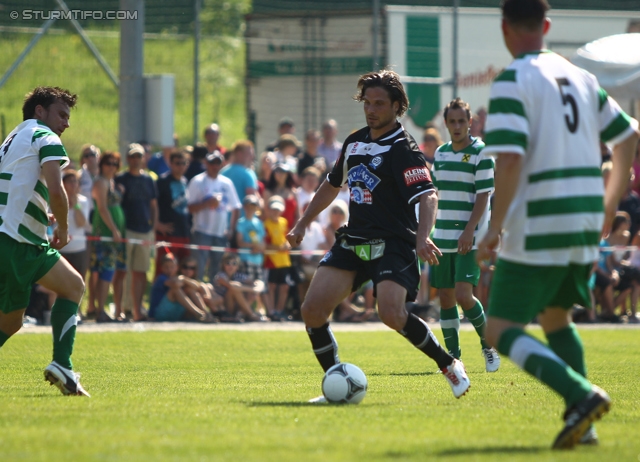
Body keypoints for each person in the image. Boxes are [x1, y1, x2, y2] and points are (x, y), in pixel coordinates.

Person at [476, 0, 639, 449]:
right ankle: (584, 426)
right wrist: (609, 205)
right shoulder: (583, 78)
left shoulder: (513, 78)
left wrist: (494, 228)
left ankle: (580, 395)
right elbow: (629, 136)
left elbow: (509, 160)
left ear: (505, 29)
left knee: (500, 330)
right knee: (555, 319)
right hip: (585, 217)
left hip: (541, 216)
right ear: (546, 26)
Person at [287, 70, 470, 402]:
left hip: (393, 243)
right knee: (312, 310)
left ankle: (449, 364)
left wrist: (422, 237)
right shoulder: (355, 141)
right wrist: (303, 222)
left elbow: (428, 196)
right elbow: (332, 183)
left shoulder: (404, 149)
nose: (371, 110)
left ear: (397, 106)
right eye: (367, 103)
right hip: (355, 240)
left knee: (391, 313)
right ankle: (336, 384)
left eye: (380, 104)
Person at [0, 86, 88, 396]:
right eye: (62, 114)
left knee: (10, 323)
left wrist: (39, 214)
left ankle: (63, 365)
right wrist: (63, 225)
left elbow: (15, 186)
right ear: (40, 111)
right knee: (74, 286)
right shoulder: (45, 137)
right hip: (18, 243)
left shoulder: (13, 138)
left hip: (9, 236)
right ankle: (62, 364)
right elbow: (56, 188)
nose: (66, 123)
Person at [430, 98, 500, 372]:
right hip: (442, 235)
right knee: (445, 298)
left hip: (469, 237)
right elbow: (434, 193)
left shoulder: (482, 152)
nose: (457, 126)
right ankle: (453, 360)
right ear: (446, 123)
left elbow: (483, 195)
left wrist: (469, 231)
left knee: (463, 295)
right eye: (452, 121)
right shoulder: (441, 153)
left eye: (462, 121)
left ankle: (488, 344)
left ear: (470, 122)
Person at [113, 143, 158, 322]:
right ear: (127, 158)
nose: (136, 160)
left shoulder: (149, 180)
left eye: (139, 156)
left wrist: (153, 227)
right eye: (133, 156)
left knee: (140, 273)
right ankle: (120, 310)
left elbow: (154, 206)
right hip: (126, 230)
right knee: (122, 271)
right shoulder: (120, 178)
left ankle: (137, 311)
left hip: (145, 231)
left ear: (143, 158)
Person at [187, 150, 241, 282]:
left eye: (217, 163)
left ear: (222, 164)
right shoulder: (197, 181)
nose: (214, 166)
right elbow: (189, 208)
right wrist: (206, 203)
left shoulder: (226, 183)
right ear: (206, 163)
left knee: (217, 271)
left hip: (220, 234)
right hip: (201, 231)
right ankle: (197, 297)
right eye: (212, 163)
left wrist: (231, 230)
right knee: (198, 269)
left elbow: (236, 207)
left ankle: (213, 299)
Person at [89, 151, 126, 323]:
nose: (111, 167)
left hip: (113, 234)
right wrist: (113, 230)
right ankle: (100, 310)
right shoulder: (100, 183)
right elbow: (102, 208)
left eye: (115, 164)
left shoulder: (112, 182)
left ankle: (102, 309)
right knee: (105, 272)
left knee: (109, 272)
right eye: (108, 163)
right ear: (102, 164)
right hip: (105, 233)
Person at [149, 254, 215, 322]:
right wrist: (182, 280)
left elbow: (197, 286)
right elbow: (175, 284)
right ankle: (198, 314)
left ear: (177, 267)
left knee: (189, 289)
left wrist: (184, 279)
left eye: (172, 267)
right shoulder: (161, 278)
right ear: (161, 268)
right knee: (175, 289)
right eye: (166, 267)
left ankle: (206, 313)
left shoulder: (179, 278)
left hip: (175, 314)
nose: (169, 269)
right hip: (158, 314)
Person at [155, 150, 191, 275]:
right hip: (167, 233)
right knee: (164, 269)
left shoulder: (185, 181)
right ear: (170, 164)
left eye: (184, 163)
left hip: (183, 232)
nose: (181, 166)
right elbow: (153, 205)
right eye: (177, 163)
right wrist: (157, 224)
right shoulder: (162, 181)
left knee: (182, 269)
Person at [235, 194, 268, 312]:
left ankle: (257, 310)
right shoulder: (241, 222)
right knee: (248, 287)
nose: (251, 209)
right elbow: (239, 242)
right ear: (244, 207)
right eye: (249, 206)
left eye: (254, 206)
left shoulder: (259, 223)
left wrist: (259, 248)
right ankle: (244, 311)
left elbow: (263, 243)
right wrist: (253, 246)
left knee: (259, 287)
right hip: (245, 259)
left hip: (258, 260)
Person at [212, 253, 266, 322]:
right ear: (223, 265)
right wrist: (253, 289)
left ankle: (240, 314)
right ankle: (252, 315)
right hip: (225, 307)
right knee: (234, 289)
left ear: (237, 266)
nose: (231, 266)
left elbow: (257, 282)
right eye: (228, 263)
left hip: (237, 305)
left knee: (252, 294)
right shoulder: (220, 276)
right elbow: (232, 286)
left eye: (234, 263)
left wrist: (256, 288)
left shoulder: (239, 275)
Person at [264, 196, 293, 320]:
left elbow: (285, 238)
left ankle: (279, 311)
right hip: (271, 260)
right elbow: (265, 244)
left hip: (284, 260)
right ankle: (271, 311)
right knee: (271, 286)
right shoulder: (266, 224)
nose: (276, 212)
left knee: (284, 287)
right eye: (273, 209)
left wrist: (287, 244)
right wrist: (278, 247)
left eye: (278, 210)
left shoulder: (283, 222)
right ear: (269, 210)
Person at [59, 169, 91, 281]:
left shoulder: (83, 201)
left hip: (78, 249)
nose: (73, 184)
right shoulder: (57, 201)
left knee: (78, 282)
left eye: (75, 181)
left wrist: (76, 205)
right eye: (70, 181)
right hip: (61, 249)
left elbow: (81, 223)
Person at [221, 140, 259, 206]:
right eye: (249, 153)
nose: (252, 157)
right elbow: (252, 200)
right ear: (239, 154)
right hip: (242, 215)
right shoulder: (248, 173)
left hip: (224, 216)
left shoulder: (222, 172)